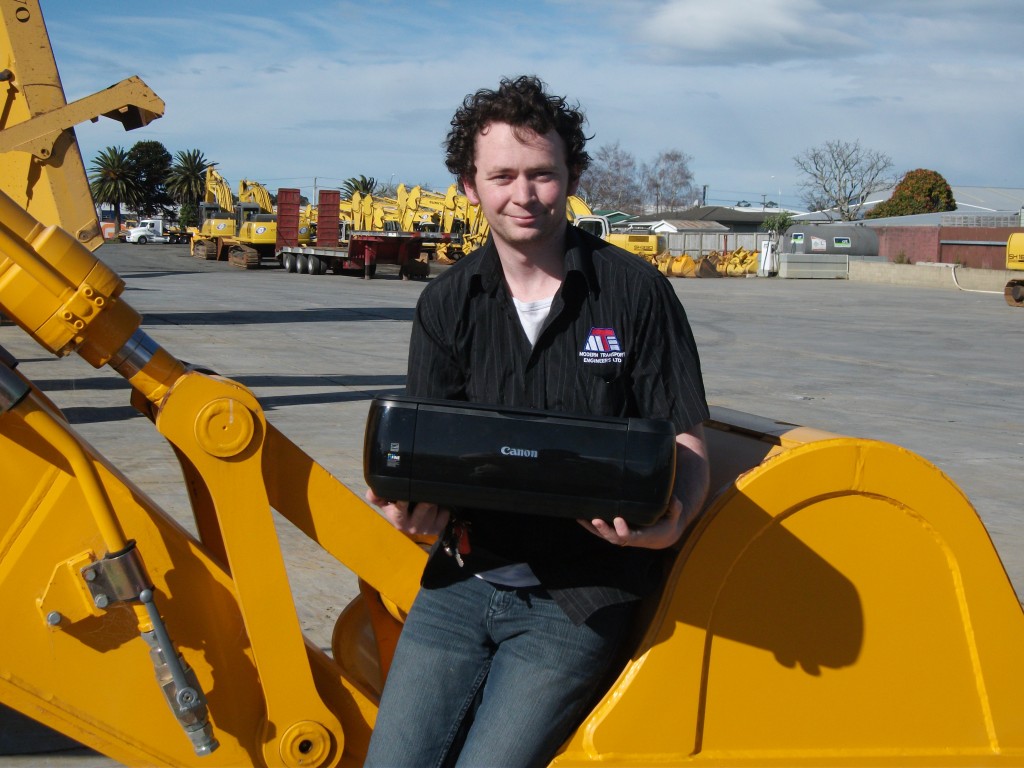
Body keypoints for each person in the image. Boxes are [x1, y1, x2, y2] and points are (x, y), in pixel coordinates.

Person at [364, 74, 710, 767]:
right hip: (462, 580)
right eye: (502, 176)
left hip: (578, 597)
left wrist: (675, 518)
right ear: (468, 185)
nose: (523, 195)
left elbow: (684, 435)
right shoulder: (447, 303)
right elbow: (428, 446)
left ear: (572, 175)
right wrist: (407, 508)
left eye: (543, 174)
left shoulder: (635, 293)